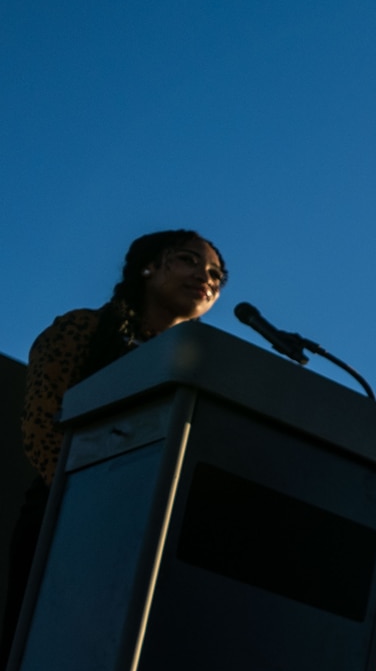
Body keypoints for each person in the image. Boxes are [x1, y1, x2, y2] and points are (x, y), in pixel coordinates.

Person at [7, 230, 227, 649]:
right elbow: (41, 426)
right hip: (66, 519)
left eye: (217, 275)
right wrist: (91, 503)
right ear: (147, 267)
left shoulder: (202, 369)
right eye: (188, 260)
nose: (206, 277)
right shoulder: (83, 329)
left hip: (155, 536)